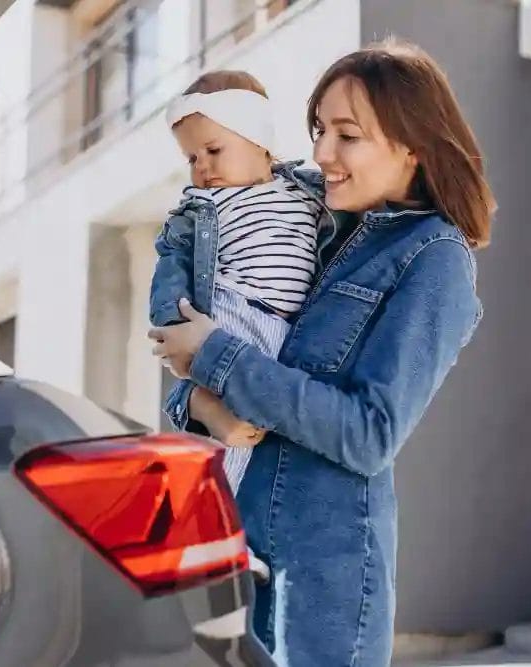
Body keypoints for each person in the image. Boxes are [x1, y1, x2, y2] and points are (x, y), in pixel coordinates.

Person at [149, 38, 494, 667]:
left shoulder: (434, 258)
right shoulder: (309, 221)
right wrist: (200, 401)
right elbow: (204, 356)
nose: (322, 154)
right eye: (318, 130)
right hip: (237, 543)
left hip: (323, 573)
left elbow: (368, 434)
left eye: (347, 135)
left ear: (412, 147)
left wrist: (217, 358)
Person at [150, 69, 337, 493]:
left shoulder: (309, 192)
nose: (203, 167)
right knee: (237, 432)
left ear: (260, 141)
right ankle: (221, 507)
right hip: (233, 311)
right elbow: (171, 267)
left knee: (271, 424)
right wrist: (174, 328)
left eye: (214, 149)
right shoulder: (197, 209)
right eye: (192, 158)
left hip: (291, 327)